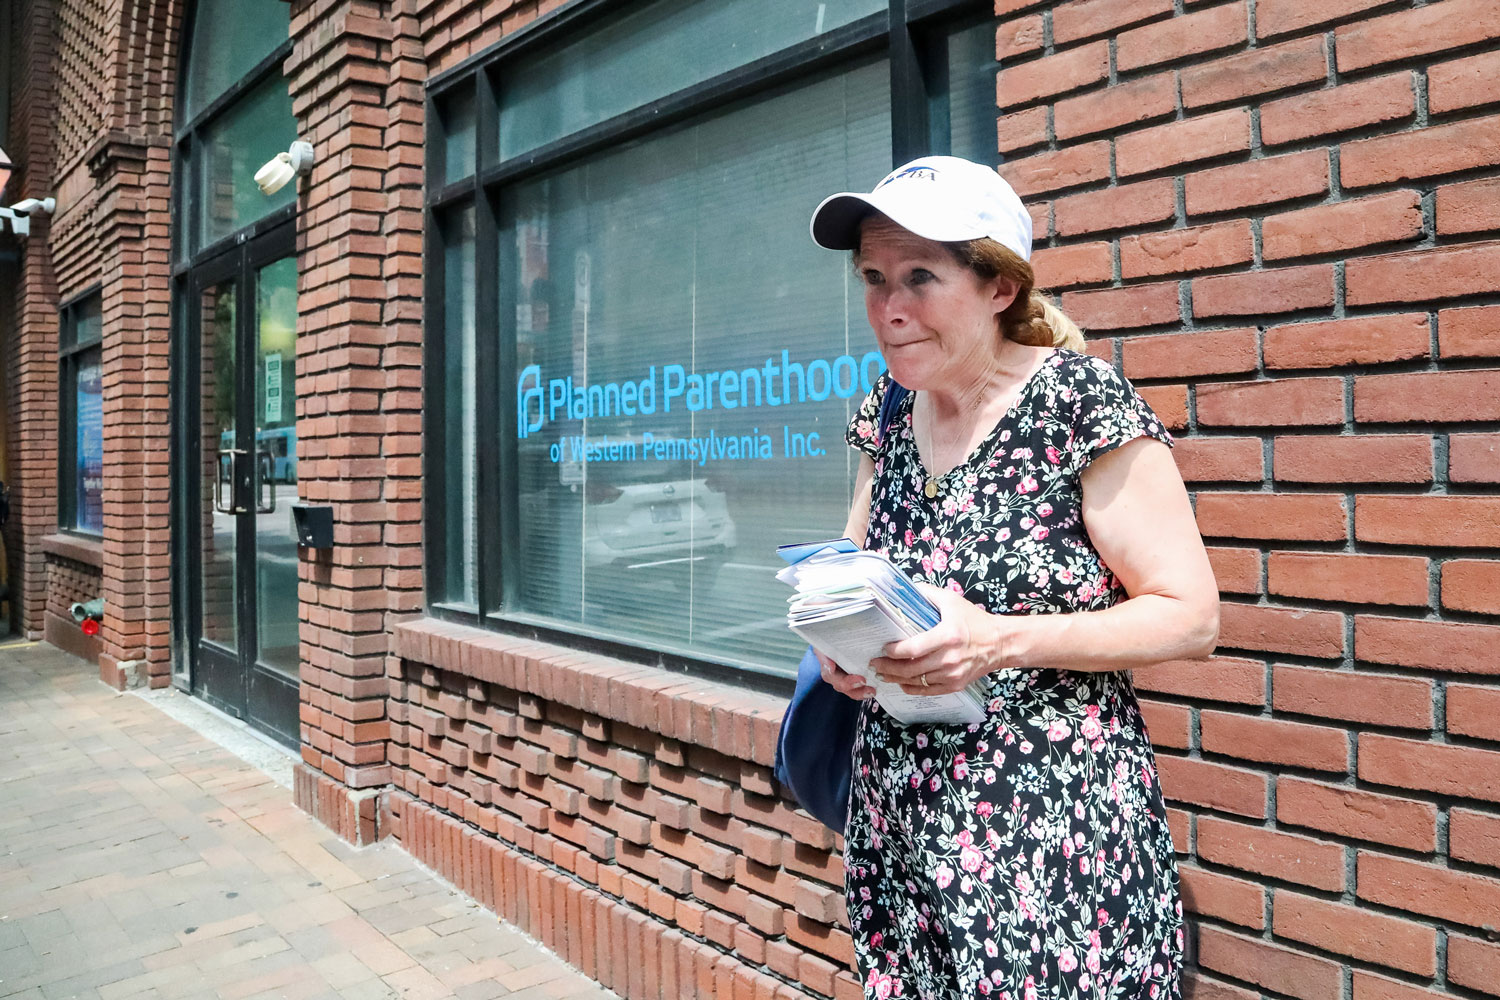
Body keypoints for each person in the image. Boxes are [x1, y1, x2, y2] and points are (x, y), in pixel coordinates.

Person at [807, 156, 1219, 1000]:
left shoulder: (1077, 402)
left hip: (1052, 827)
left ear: (1000, 287)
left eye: (921, 275)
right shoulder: (886, 410)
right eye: (875, 278)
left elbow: (1191, 616)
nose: (890, 308)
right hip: (904, 815)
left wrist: (1000, 640)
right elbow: (855, 561)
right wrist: (839, 642)